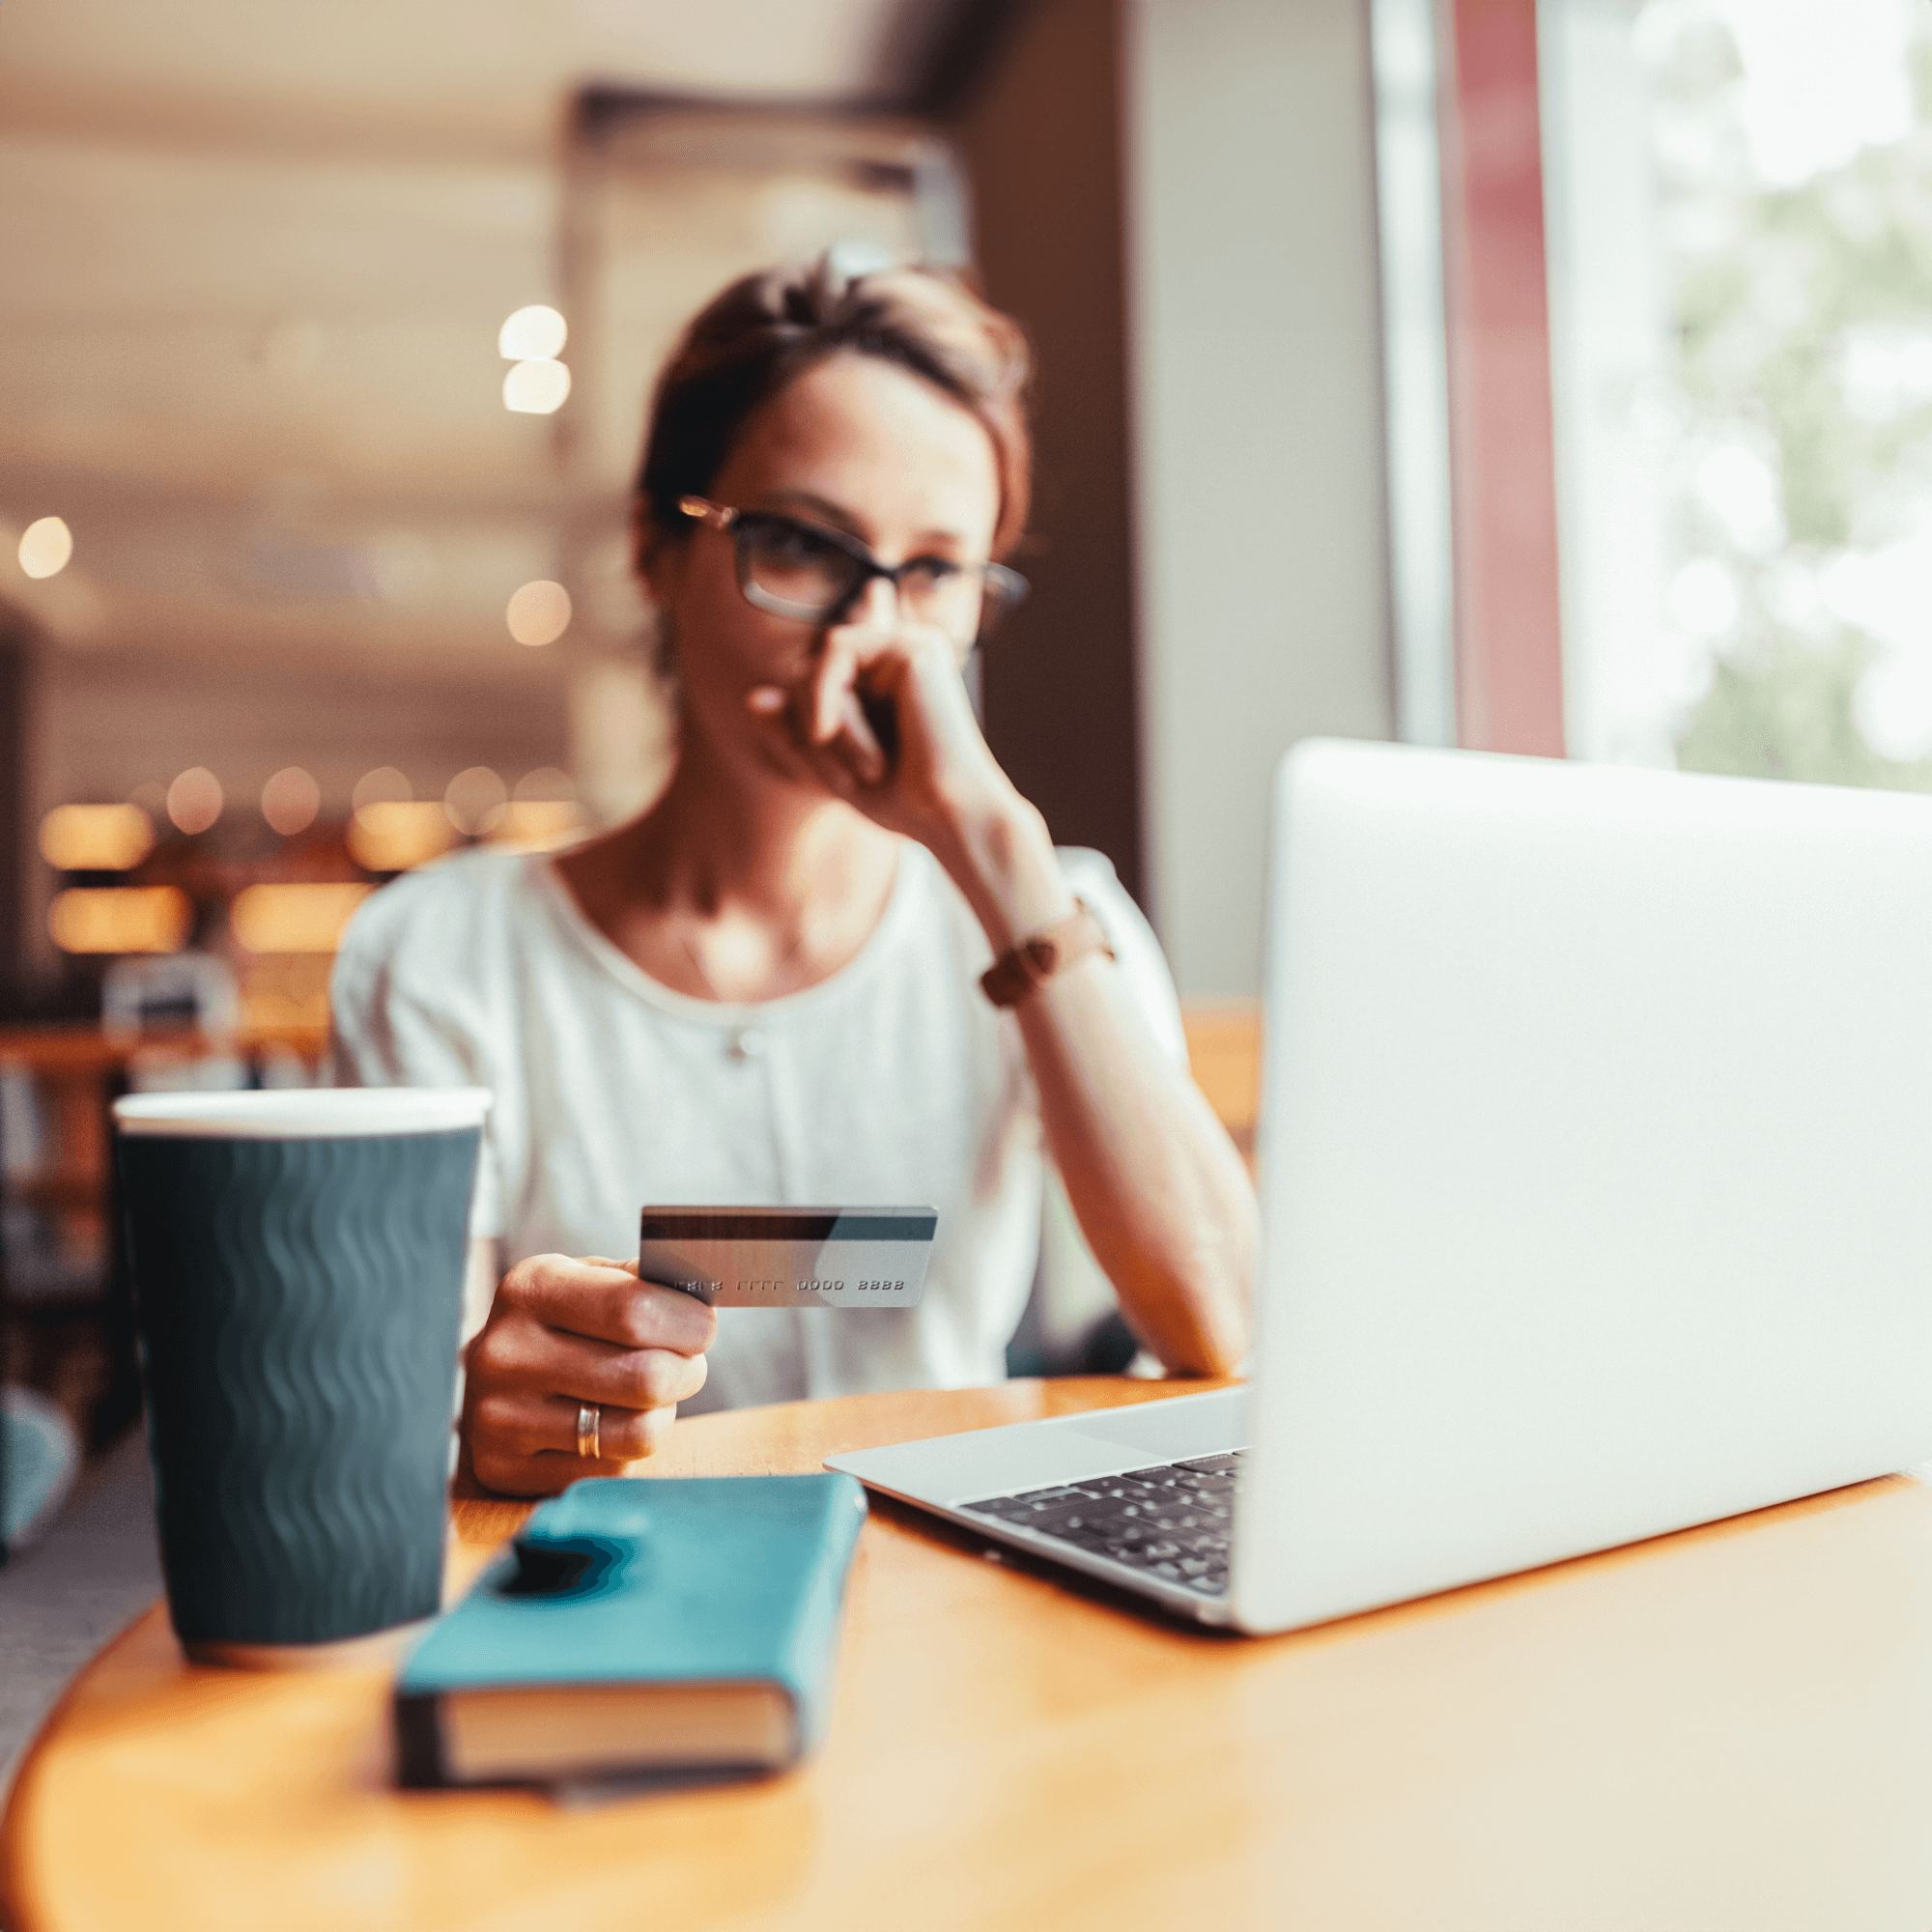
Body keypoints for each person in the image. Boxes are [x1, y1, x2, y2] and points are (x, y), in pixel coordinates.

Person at [330, 257, 1256, 1496]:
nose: (871, 636)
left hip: (958, 1602)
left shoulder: (1044, 915)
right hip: (619, 1601)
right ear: (660, 550)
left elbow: (1221, 1320)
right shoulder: (442, 954)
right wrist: (475, 1416)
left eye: (933, 573)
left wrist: (994, 849)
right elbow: (381, 1427)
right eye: (804, 546)